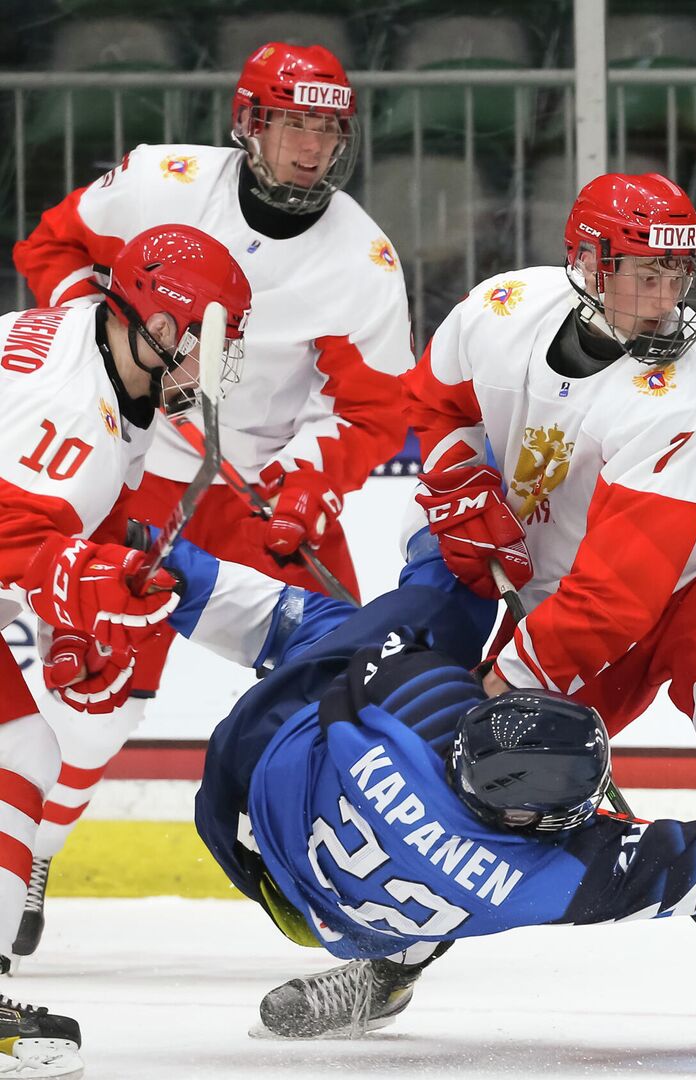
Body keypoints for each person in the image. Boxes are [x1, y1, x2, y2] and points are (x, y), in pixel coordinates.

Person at [137, 525, 696, 1040]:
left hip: (245, 811)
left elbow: (312, 635)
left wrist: (181, 576)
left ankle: (391, 966)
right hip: (323, 900)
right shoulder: (533, 878)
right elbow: (689, 862)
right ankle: (390, 959)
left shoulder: (415, 700)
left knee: (429, 590)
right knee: (384, 619)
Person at [8, 41, 412, 954]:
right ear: (251, 122)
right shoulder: (163, 181)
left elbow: (375, 410)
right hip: (137, 468)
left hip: (256, 483)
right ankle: (35, 856)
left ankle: (367, 897)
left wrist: (309, 484)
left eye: (326, 128)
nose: (310, 147)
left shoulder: (363, 261)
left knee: (348, 677)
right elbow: (54, 244)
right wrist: (99, 358)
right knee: (104, 684)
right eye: (292, 123)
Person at [402, 172, 696, 1030]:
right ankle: (396, 947)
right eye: (644, 274)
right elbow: (435, 404)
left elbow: (624, 590)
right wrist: (454, 471)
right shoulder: (499, 309)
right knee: (481, 767)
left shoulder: (692, 380)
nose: (666, 301)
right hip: (570, 578)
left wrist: (510, 677)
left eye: (678, 276)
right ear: (586, 262)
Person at [0, 224, 252, 1076]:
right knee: (21, 744)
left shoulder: (108, 359)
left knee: (23, 739)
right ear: (163, 325)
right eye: (212, 343)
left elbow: (63, 522)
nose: (216, 367)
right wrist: (82, 582)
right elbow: (11, 531)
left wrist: (89, 585)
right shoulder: (71, 403)